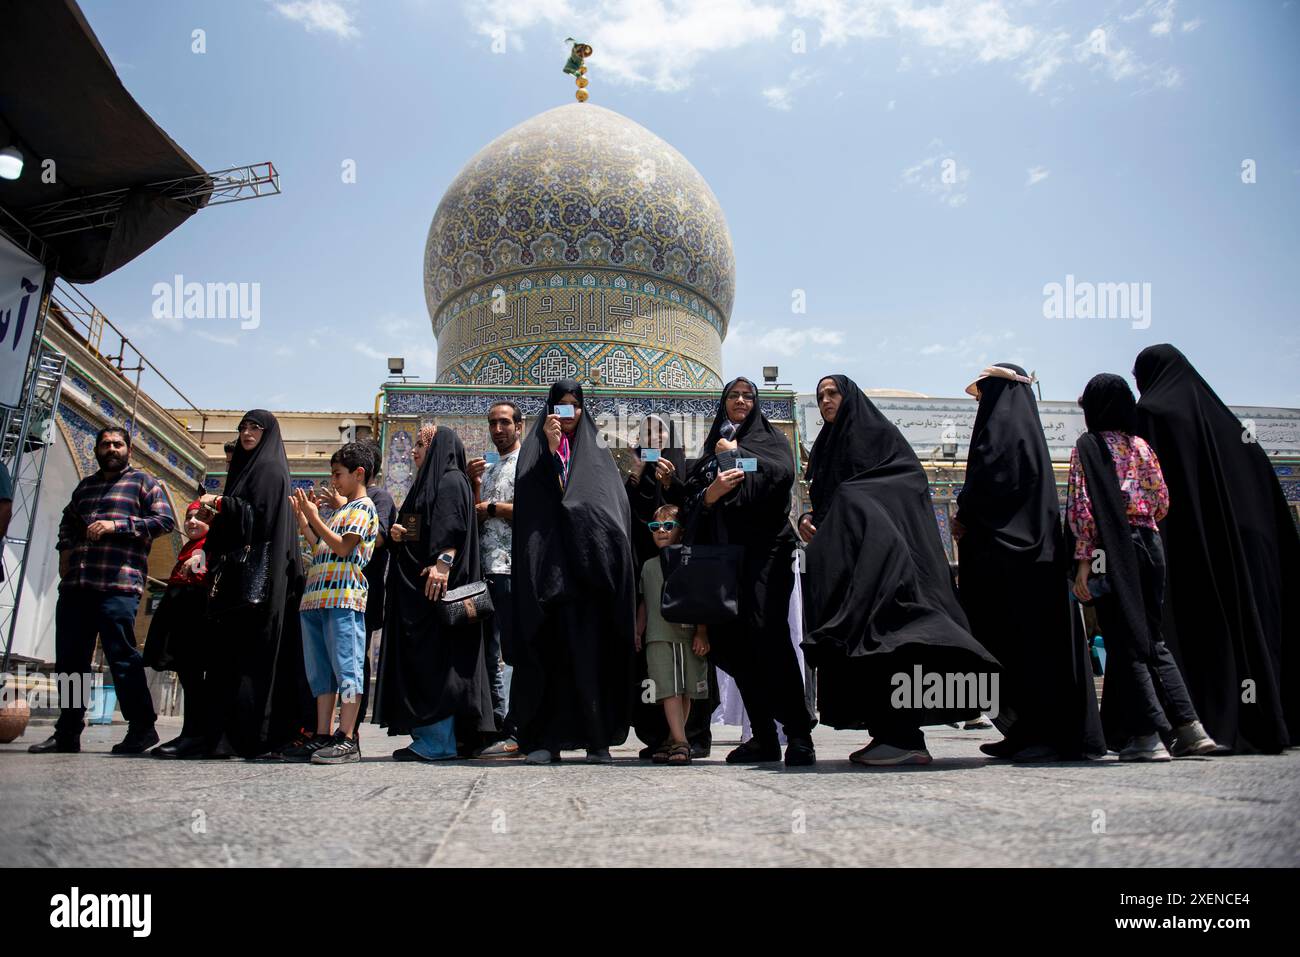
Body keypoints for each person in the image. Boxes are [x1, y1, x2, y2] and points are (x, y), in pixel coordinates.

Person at [799, 375, 998, 766]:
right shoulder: (828, 447)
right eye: (820, 395)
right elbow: (826, 500)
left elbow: (906, 481)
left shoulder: (878, 436)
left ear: (850, 397)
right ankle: (886, 733)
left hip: (887, 559)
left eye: (832, 393)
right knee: (859, 641)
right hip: (851, 561)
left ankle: (905, 736)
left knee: (890, 638)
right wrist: (811, 517)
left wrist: (852, 499)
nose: (825, 400)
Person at [1133, 344, 1298, 754]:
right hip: (1252, 552)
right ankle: (1270, 717)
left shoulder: (1151, 415)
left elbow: (1153, 495)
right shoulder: (1229, 426)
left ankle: (1209, 719)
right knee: (1252, 630)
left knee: (1206, 631)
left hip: (1195, 550)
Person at [954, 364, 1105, 762]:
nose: (981, 405)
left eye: (984, 395)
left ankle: (1041, 733)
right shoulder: (1027, 435)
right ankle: (1022, 731)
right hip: (1032, 563)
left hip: (1015, 570)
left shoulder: (1000, 438)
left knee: (1027, 653)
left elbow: (990, 487)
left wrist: (964, 515)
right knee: (1018, 651)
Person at [1067, 373, 1215, 761]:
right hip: (1151, 545)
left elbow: (1083, 510)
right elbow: (1162, 500)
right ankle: (1190, 728)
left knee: (1123, 639)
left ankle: (1148, 737)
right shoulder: (1142, 447)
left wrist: (1083, 564)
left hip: (1111, 549)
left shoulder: (1089, 446)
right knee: (1152, 637)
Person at [683, 376, 816, 767]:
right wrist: (710, 494)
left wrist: (733, 455)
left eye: (747, 396)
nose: (740, 400)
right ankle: (762, 737)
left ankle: (798, 734)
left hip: (765, 557)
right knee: (734, 646)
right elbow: (693, 495)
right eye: (733, 395)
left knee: (769, 639)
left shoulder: (769, 442)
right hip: (725, 562)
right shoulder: (713, 447)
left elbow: (777, 476)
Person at [510, 379, 636, 765]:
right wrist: (550, 452)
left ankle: (597, 741)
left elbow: (610, 511)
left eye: (574, 406)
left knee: (590, 660)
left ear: (584, 411)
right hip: (548, 579)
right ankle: (548, 740)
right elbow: (534, 509)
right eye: (560, 406)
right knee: (550, 660)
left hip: (589, 579)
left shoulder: (597, 458)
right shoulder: (533, 453)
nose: (567, 414)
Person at [29, 427, 175, 755]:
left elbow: (164, 521)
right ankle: (67, 731)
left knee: (122, 658)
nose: (111, 449)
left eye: (117, 444)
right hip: (79, 583)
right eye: (105, 444)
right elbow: (68, 522)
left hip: (118, 585)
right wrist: (65, 552)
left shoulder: (143, 483)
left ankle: (141, 728)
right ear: (96, 449)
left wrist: (118, 525)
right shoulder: (87, 487)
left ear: (128, 449)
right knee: (71, 661)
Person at [373, 426, 495, 761]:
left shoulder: (451, 481)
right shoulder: (424, 486)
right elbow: (414, 532)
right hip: (418, 593)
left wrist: (442, 564)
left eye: (423, 445)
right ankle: (432, 737)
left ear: (439, 448)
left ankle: (438, 741)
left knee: (438, 664)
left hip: (437, 590)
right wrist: (399, 534)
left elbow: (452, 529)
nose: (414, 451)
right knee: (425, 663)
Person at [196, 410, 313, 759]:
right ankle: (219, 735)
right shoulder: (245, 470)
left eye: (254, 428)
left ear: (268, 433)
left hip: (258, 583)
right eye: (243, 427)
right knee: (228, 659)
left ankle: (247, 735)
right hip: (237, 582)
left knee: (249, 660)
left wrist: (219, 503)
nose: (247, 433)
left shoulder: (270, 470)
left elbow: (257, 516)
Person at [625, 413, 718, 760]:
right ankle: (660, 736)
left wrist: (676, 483)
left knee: (691, 662)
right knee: (657, 666)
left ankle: (691, 736)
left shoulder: (688, 469)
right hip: (648, 575)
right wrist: (635, 477)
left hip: (685, 574)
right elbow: (628, 522)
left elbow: (697, 513)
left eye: (659, 431)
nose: (653, 437)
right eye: (646, 432)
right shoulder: (637, 478)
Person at [283, 443, 378, 764]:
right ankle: (322, 733)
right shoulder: (341, 510)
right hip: (316, 598)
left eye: (338, 474)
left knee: (348, 667)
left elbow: (342, 547)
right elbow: (321, 546)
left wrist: (314, 517)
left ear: (358, 473)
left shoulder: (363, 508)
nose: (334, 481)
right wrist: (304, 522)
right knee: (321, 672)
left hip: (343, 599)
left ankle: (347, 735)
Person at [635, 504, 710, 765]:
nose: (662, 531)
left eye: (669, 526)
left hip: (687, 634)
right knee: (667, 688)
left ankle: (674, 737)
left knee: (685, 688)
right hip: (657, 636)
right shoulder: (647, 566)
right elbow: (645, 601)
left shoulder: (688, 561)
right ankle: (681, 741)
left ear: (681, 531)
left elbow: (699, 599)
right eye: (655, 527)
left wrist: (701, 631)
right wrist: (639, 629)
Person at [469, 401, 523, 758]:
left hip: (510, 568)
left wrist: (490, 508)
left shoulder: (527, 464)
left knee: (511, 650)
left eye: (505, 422)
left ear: (520, 425)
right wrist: (475, 486)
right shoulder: (489, 470)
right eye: (493, 423)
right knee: (489, 650)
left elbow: (534, 511)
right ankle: (496, 723)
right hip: (485, 569)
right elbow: (477, 513)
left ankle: (516, 727)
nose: (498, 429)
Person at [145, 500, 214, 758]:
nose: (193, 522)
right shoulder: (189, 546)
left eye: (201, 518)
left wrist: (199, 559)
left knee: (194, 677)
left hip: (193, 617)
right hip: (181, 614)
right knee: (189, 677)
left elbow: (203, 568)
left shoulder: (205, 548)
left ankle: (195, 734)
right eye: (189, 517)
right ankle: (193, 732)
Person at [357, 439, 396, 732]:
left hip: (362, 590)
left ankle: (351, 723)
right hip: (332, 590)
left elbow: (379, 538)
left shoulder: (379, 498)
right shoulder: (344, 498)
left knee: (357, 655)